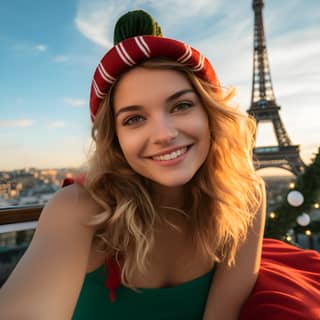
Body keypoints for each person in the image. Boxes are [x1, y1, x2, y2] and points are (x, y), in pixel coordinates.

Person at [0, 10, 319, 320]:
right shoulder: (79, 210)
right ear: (115, 139)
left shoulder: (247, 196)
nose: (164, 135)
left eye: (181, 105)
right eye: (135, 118)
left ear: (210, 115)